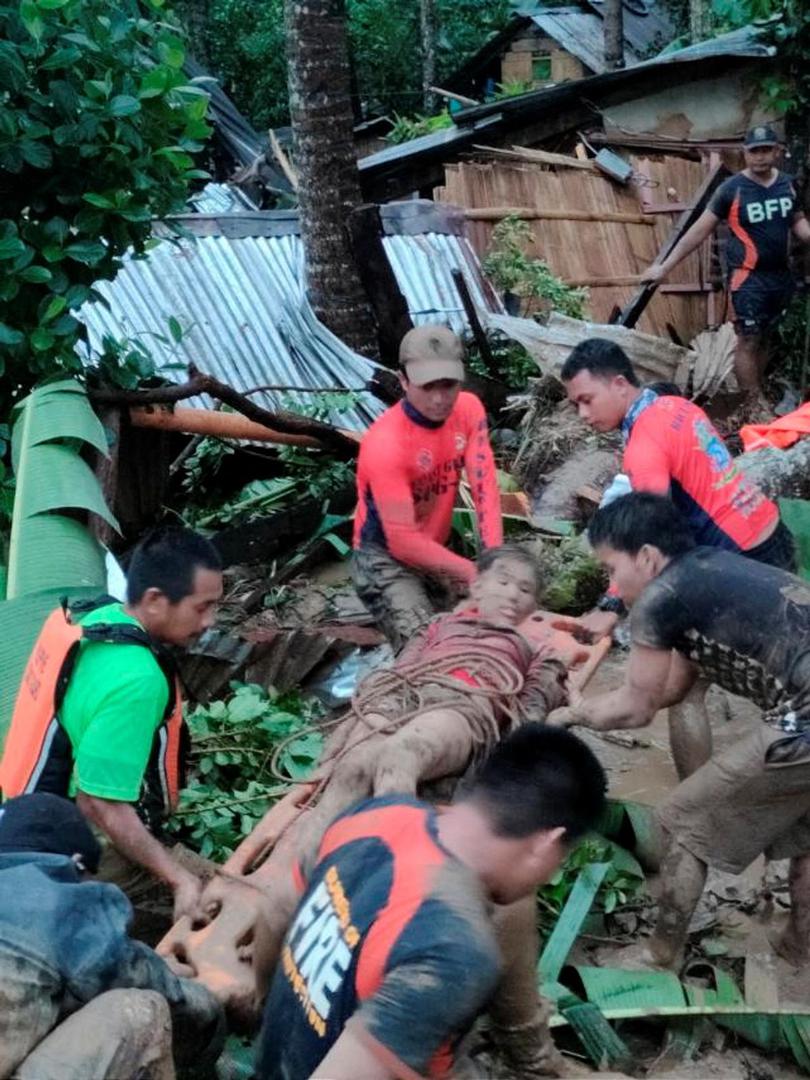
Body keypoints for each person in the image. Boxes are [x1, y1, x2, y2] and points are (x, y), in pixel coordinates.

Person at [255, 724, 606, 1079]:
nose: (548, 876)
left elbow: (276, 912)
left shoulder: (376, 815)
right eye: (558, 860)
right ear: (547, 842)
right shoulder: (454, 949)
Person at [551, 492, 810, 970]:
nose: (612, 585)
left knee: (681, 820)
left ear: (647, 557)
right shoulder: (706, 571)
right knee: (805, 832)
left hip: (803, 721)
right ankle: (800, 945)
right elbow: (673, 688)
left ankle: (659, 954)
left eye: (611, 569)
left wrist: (573, 715)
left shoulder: (659, 599)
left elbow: (636, 708)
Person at [562, 338, 795, 777]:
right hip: (771, 540)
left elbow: (645, 535)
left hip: (736, 567)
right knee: (763, 678)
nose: (583, 414)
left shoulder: (642, 443)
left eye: (586, 400)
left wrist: (613, 603)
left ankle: (696, 802)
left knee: (687, 692)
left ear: (618, 383)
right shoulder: (677, 408)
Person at [0, 525, 223, 919]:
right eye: (202, 607)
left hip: (22, 818)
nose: (210, 621)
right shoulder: (138, 680)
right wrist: (178, 879)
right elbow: (100, 804)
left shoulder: (96, 616)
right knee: (217, 896)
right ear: (155, 601)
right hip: (67, 848)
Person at [0, 792, 225, 1079]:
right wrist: (208, 1006)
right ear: (77, 863)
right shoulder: (63, 901)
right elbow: (144, 981)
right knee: (141, 1009)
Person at [352, 324, 503, 652]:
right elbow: (403, 541)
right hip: (385, 559)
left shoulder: (469, 409)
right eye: (427, 386)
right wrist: (471, 571)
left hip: (435, 547)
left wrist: (493, 556)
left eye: (448, 385)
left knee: (467, 631)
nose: (439, 398)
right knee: (424, 649)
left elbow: (485, 486)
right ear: (404, 381)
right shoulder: (385, 444)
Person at [639, 125, 810, 402]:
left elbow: (799, 223)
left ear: (776, 151)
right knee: (748, 338)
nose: (760, 157)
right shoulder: (731, 190)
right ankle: (753, 406)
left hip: (781, 277)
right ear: (745, 154)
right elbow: (698, 231)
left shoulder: (788, 184)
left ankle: (758, 395)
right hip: (747, 278)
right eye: (754, 151)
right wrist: (664, 268)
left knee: (767, 337)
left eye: (766, 150)